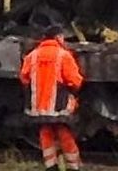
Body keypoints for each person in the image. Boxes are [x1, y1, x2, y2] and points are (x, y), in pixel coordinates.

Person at [20, 25, 84, 171]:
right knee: (63, 131)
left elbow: (24, 77)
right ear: (58, 37)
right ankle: (73, 166)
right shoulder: (63, 55)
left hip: (39, 105)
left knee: (45, 131)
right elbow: (75, 80)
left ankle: (51, 166)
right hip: (59, 104)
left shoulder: (32, 55)